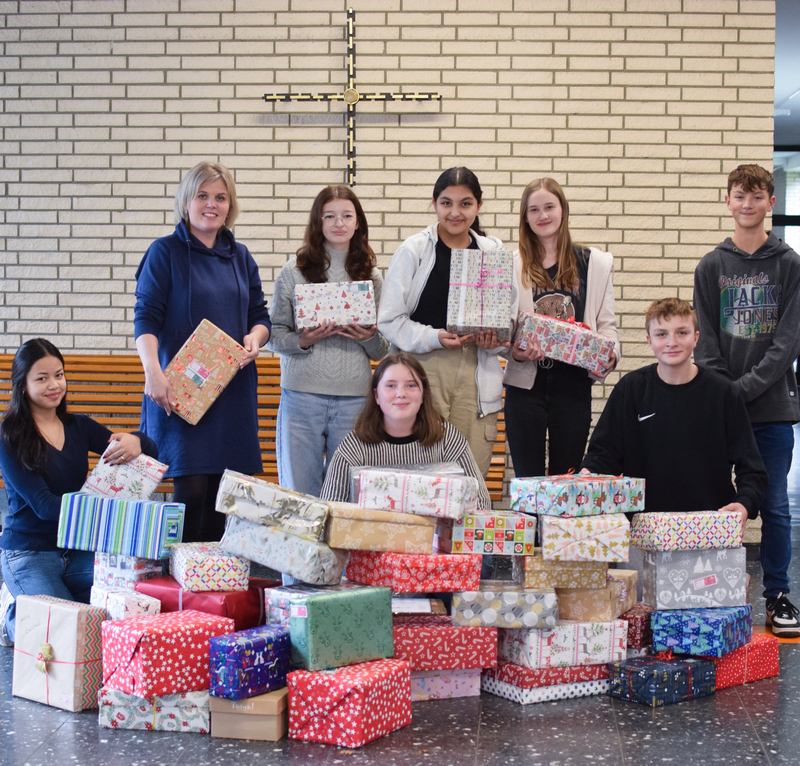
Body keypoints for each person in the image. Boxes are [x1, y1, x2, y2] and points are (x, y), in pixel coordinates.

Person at [134, 161, 271, 543]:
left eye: (221, 197)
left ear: (231, 205)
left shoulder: (240, 255)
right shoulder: (164, 253)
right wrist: (153, 373)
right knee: (191, 493)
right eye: (203, 195)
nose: (212, 205)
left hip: (231, 392)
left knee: (225, 499)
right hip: (182, 391)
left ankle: (213, 595)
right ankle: (178, 591)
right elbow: (144, 318)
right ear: (187, 201)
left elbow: (260, 316)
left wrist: (255, 339)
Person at [693, 164, 800, 637]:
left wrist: (744, 390)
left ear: (770, 203)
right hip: (719, 411)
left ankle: (777, 595)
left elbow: (788, 341)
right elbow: (705, 339)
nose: (748, 204)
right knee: (717, 501)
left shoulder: (790, 264)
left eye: (757, 197)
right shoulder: (711, 266)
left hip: (772, 409)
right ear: (728, 201)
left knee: (774, 504)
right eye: (740, 196)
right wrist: (724, 393)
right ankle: (714, 591)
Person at [0, 339, 159, 646]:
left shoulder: (79, 426)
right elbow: (45, 507)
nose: (54, 385)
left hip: (79, 549)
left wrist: (137, 441)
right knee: (64, 634)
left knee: (128, 599)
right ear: (22, 386)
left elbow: (145, 452)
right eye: (42, 378)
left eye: (59, 375)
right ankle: (12, 616)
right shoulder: (9, 437)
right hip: (29, 553)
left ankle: (34, 604)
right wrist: (109, 512)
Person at [378, 167, 514, 477]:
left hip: (475, 370)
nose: (455, 212)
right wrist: (434, 337)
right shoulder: (414, 250)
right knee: (419, 473)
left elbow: (507, 316)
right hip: (423, 367)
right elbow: (389, 320)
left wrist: (495, 340)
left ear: (478, 206)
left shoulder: (492, 251)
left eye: (465, 203)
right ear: (434, 204)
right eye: (446, 203)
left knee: (470, 474)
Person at [580, 298, 767, 521]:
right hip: (643, 527)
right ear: (649, 340)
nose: (672, 342)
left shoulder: (723, 393)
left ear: (696, 337)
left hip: (710, 524)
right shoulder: (630, 390)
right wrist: (585, 477)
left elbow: (752, 467)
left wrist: (744, 503)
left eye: (682, 333)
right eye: (661, 334)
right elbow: (603, 455)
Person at [267, 185, 388, 497]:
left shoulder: (371, 276)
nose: (339, 223)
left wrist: (369, 337)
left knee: (346, 494)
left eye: (347, 215)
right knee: (299, 492)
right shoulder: (294, 271)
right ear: (317, 222)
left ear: (358, 222)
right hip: (301, 395)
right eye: (330, 216)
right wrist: (303, 341)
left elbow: (385, 348)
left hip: (354, 399)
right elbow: (273, 335)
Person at [503, 178, 619, 478]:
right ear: (525, 218)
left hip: (573, 386)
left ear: (563, 210)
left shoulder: (594, 263)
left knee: (565, 480)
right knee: (527, 482)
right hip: (525, 387)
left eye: (549, 207)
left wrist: (612, 355)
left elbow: (607, 325)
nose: (543, 215)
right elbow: (503, 331)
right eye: (534, 209)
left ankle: (559, 529)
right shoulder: (511, 265)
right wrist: (513, 352)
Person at [320, 352, 491, 509]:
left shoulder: (448, 440)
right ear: (377, 396)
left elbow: (481, 503)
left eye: (411, 386)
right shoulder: (354, 446)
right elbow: (331, 509)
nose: (401, 393)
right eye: (391, 386)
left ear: (423, 394)